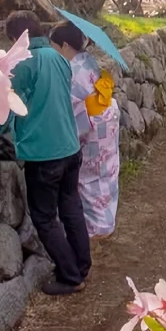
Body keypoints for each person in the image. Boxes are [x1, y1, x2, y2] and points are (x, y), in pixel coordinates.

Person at [0, 13, 91, 296]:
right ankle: (81, 266)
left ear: (15, 39)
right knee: (72, 209)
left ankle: (71, 277)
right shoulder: (58, 58)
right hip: (70, 148)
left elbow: (4, 109)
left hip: (43, 153)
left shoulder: (23, 63)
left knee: (45, 217)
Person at [50, 22, 121, 238]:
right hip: (105, 119)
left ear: (63, 45)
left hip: (92, 124)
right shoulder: (86, 59)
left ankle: (94, 228)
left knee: (89, 176)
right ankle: (104, 221)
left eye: (52, 45)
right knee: (105, 172)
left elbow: (67, 106)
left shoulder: (71, 70)